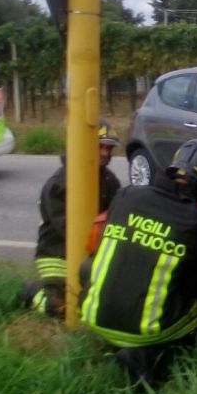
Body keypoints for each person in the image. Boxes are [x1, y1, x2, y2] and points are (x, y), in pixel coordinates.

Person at [80, 139, 197, 386]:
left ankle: (117, 340)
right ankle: (157, 354)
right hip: (147, 331)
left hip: (92, 316)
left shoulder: (126, 195)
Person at [20, 120, 122, 319]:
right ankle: (32, 291)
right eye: (100, 146)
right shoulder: (60, 184)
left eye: (109, 147)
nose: (105, 153)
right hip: (57, 253)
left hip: (91, 252)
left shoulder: (110, 181)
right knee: (62, 310)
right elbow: (67, 229)